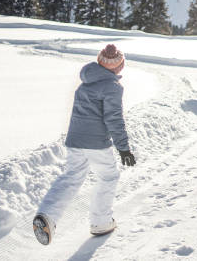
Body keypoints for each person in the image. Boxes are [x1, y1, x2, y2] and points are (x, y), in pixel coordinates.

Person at [33, 44, 136, 245]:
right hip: (96, 142)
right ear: (118, 66)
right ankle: (101, 222)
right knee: (108, 176)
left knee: (71, 177)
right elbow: (114, 118)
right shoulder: (112, 87)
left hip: (75, 140)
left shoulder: (85, 82)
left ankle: (47, 217)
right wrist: (123, 147)